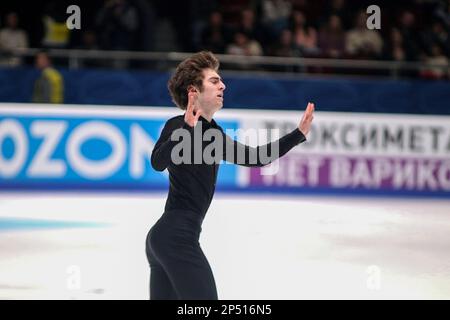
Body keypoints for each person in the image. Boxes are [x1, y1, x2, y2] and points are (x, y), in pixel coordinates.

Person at [146, 51, 314, 300]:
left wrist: (297, 134)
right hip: (175, 238)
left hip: (168, 239)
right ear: (194, 91)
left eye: (221, 80)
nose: (222, 85)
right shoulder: (177, 125)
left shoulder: (213, 134)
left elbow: (256, 157)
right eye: (214, 81)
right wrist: (186, 128)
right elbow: (158, 163)